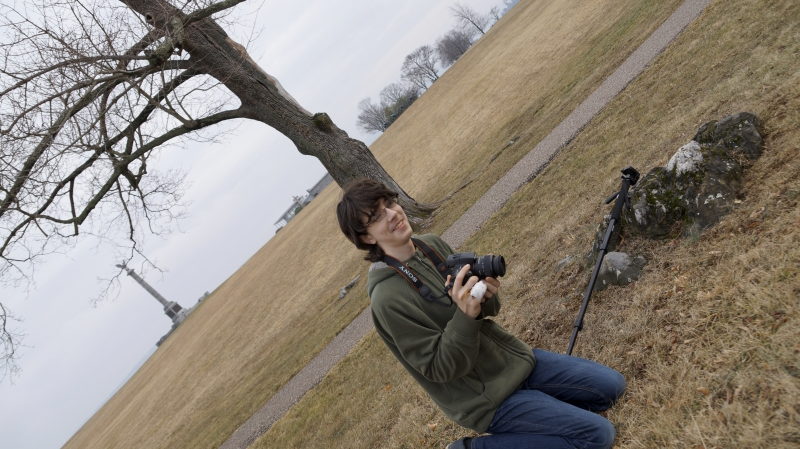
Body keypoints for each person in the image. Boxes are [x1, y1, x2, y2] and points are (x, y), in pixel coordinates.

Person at [336, 178, 626, 449]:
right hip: (484, 399)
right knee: (597, 435)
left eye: (390, 203)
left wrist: (485, 292)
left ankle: (541, 408)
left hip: (514, 362)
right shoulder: (387, 299)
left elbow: (488, 312)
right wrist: (464, 314)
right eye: (376, 217)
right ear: (366, 238)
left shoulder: (431, 245)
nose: (392, 215)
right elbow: (439, 368)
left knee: (612, 388)